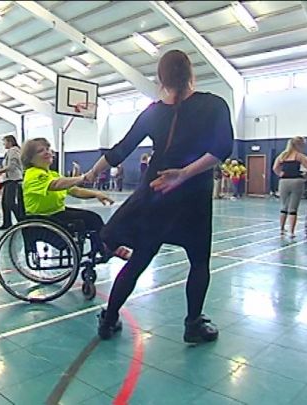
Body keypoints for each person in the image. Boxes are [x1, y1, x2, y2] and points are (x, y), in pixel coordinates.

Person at [85, 49, 234, 344]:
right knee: (199, 262)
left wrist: (90, 174)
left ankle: (109, 318)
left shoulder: (152, 112)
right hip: (192, 198)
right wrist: (184, 173)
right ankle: (193, 325)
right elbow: (222, 149)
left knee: (139, 260)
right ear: (191, 72)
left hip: (155, 196)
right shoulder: (214, 104)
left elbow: (119, 150)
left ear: (161, 79)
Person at [21, 138, 121, 256]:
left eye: (48, 149)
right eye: (40, 151)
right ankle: (107, 249)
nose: (47, 152)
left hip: (56, 212)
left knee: (93, 218)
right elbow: (55, 185)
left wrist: (96, 194)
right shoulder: (33, 174)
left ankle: (101, 248)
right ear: (30, 158)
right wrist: (82, 178)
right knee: (89, 219)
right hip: (43, 217)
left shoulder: (52, 174)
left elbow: (74, 191)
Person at [272, 136, 307, 237]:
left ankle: (281, 229)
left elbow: (275, 167)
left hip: (284, 181)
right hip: (296, 181)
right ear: (299, 145)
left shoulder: (283, 155)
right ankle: (291, 232)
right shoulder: (299, 156)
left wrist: (280, 174)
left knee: (283, 206)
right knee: (293, 208)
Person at [0, 135, 24, 230]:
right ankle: (7, 222)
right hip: (8, 180)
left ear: (10, 142)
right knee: (5, 203)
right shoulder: (10, 152)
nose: (3, 144)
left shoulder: (13, 151)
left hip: (13, 180)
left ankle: (21, 220)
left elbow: (11, 166)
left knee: (9, 202)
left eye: (4, 142)